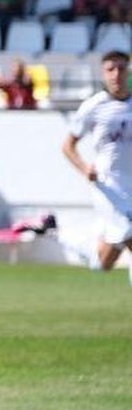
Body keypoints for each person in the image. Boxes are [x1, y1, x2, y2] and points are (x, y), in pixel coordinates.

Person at [62, 51, 132, 276]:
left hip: (130, 185)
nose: (116, 74)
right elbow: (67, 146)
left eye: (121, 68)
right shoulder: (94, 106)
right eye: (111, 69)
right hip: (108, 186)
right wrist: (84, 168)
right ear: (103, 73)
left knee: (105, 263)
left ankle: (69, 239)